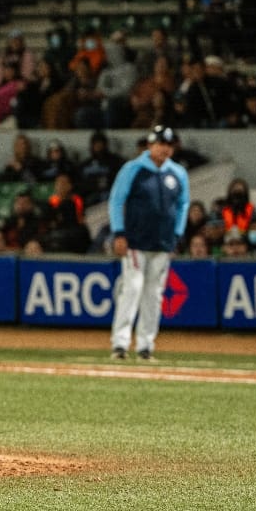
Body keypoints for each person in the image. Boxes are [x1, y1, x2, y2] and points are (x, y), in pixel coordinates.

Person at [108, 125, 190, 362]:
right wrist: (119, 232)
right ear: (150, 145)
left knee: (154, 294)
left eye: (167, 144)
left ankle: (146, 345)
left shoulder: (178, 173)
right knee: (132, 289)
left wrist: (178, 233)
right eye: (159, 144)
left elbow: (183, 204)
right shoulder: (133, 169)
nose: (163, 148)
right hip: (136, 240)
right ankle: (120, 343)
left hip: (162, 242)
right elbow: (116, 201)